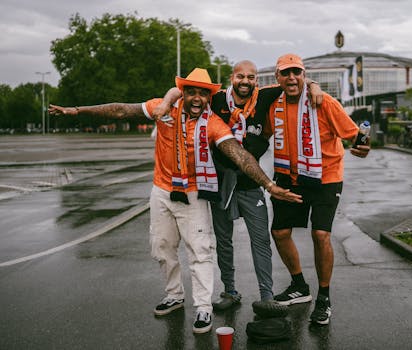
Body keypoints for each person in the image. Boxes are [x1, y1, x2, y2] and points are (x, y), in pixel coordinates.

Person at [48, 68, 301, 334]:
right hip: (162, 190)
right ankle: (174, 294)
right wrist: (77, 112)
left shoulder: (214, 122)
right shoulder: (164, 108)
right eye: (190, 92)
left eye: (202, 94)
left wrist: (270, 185)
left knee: (200, 251)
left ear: (208, 97)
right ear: (182, 92)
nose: (195, 98)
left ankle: (203, 308)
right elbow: (121, 110)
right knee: (162, 247)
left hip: (195, 193)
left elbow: (240, 155)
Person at [153, 61, 322, 318]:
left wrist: (314, 85)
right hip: (219, 183)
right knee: (223, 241)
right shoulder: (217, 98)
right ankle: (230, 292)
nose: (245, 81)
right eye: (240, 76)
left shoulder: (264, 96)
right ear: (232, 78)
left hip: (251, 183)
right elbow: (182, 91)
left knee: (260, 241)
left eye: (251, 77)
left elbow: (293, 83)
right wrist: (166, 101)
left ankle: (267, 296)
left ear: (256, 80)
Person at [265, 54, 370, 325]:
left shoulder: (323, 102)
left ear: (304, 74)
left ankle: (324, 297)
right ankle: (299, 286)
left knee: (321, 234)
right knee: (279, 232)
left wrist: (363, 145)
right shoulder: (272, 104)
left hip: (325, 177)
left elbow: (356, 134)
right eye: (285, 73)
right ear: (277, 77)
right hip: (289, 176)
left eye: (297, 73)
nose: (291, 78)